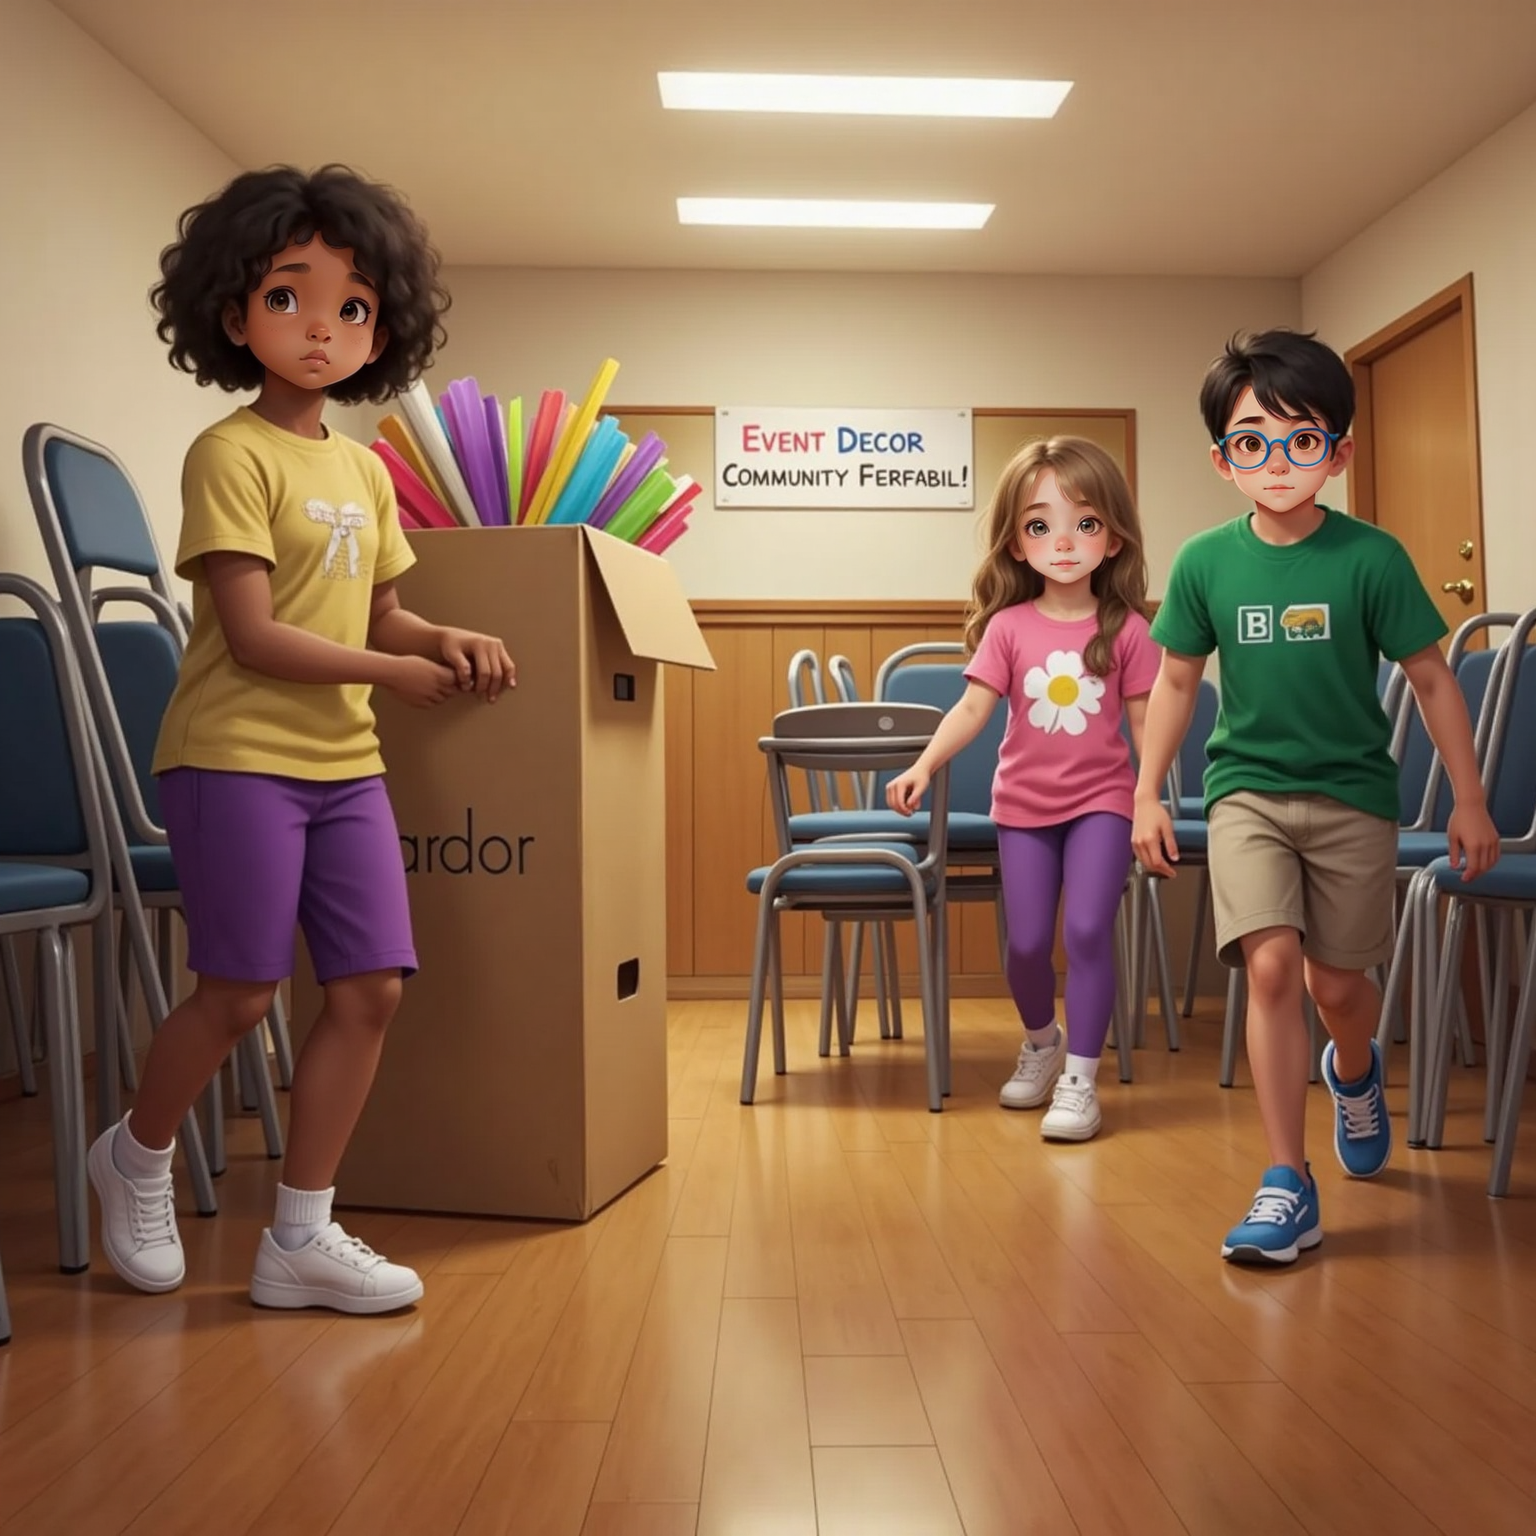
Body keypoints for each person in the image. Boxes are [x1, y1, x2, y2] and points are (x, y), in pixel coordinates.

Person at [87, 164, 516, 1313]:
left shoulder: (364, 469)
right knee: (236, 991)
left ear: (384, 328)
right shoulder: (228, 454)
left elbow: (382, 613)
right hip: (232, 757)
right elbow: (258, 635)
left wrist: (445, 633)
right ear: (233, 314)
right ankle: (134, 1155)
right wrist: (398, 672)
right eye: (289, 297)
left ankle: (300, 1238)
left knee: (371, 989)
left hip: (341, 764)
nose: (321, 326)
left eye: (354, 305)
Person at [1132, 328, 1500, 1264]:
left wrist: (1468, 798)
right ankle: (1287, 1182)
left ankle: (1355, 1067)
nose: (1277, 460)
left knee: (1337, 984)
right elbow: (1176, 683)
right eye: (1253, 441)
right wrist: (1145, 794)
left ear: (1337, 452)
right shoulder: (1205, 563)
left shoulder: (1370, 558)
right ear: (1224, 459)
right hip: (1244, 789)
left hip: (1352, 798)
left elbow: (1431, 677)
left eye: (1302, 439)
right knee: (1269, 967)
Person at [886, 437, 1159, 1140]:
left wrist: (1150, 796)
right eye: (1041, 526)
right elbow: (973, 708)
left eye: (1086, 524)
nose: (1064, 543)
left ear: (1114, 536)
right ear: (1015, 542)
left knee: (1089, 931)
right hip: (1023, 809)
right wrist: (924, 764)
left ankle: (1081, 1081)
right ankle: (1044, 1043)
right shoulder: (1007, 627)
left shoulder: (1128, 630)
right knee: (1028, 944)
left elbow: (1146, 720)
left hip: (1103, 802)